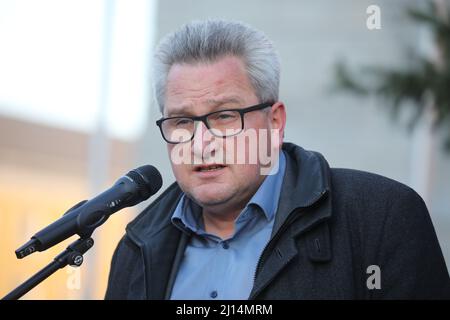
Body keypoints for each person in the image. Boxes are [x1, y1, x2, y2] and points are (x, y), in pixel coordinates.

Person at [105, 19, 450, 299]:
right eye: (182, 121)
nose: (201, 143)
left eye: (224, 116)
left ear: (274, 122)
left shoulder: (382, 216)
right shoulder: (135, 250)